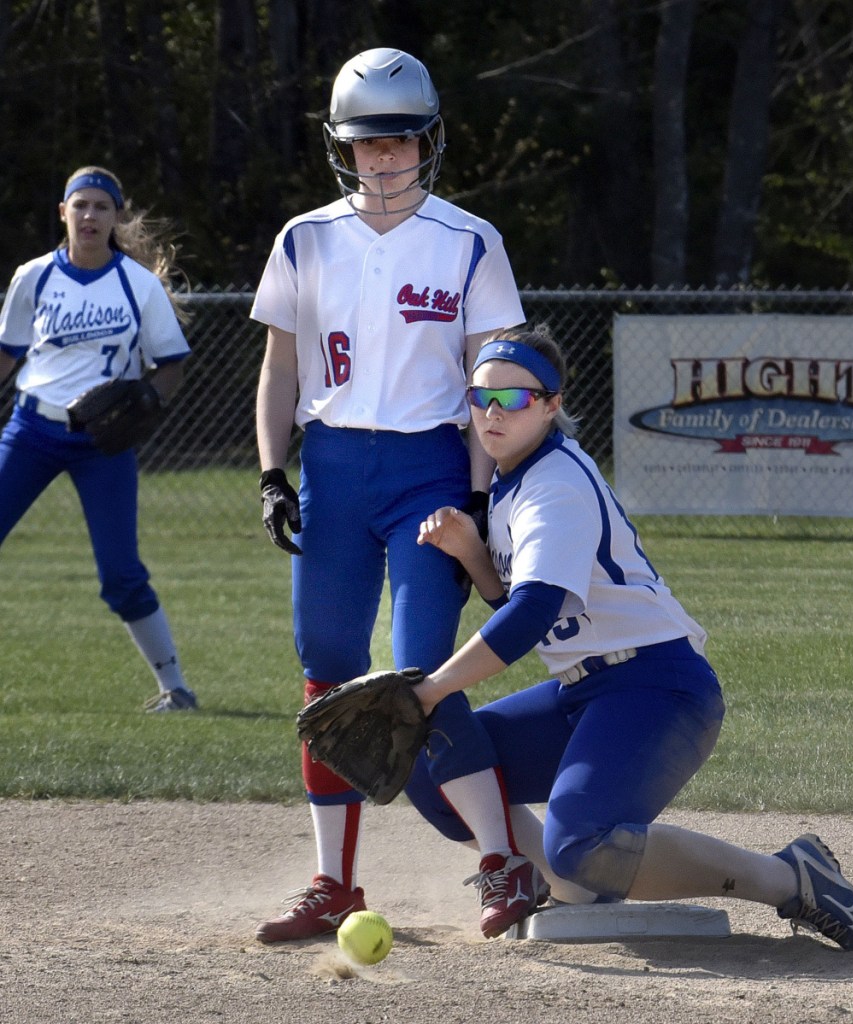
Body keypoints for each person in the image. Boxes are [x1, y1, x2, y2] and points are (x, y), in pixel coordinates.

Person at [409, 324, 853, 952]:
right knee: (429, 764)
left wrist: (434, 687)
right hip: (586, 690)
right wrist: (473, 554)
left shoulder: (554, 483)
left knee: (579, 842)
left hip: (658, 688)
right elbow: (536, 608)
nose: (493, 414)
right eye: (480, 398)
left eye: (515, 399)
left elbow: (530, 616)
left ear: (551, 405)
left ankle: (788, 876)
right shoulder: (510, 479)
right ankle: (559, 881)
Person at [252, 47, 545, 943]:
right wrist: (273, 471)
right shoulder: (305, 236)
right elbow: (280, 369)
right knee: (327, 671)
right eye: (365, 143)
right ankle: (333, 882)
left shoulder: (467, 239)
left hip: (427, 468)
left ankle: (503, 862)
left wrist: (479, 497)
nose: (382, 159)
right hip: (334, 466)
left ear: (428, 141)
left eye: (399, 141)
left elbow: (489, 383)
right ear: (341, 147)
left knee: (423, 667)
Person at [0, 165, 197, 713]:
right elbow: (7, 353)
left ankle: (175, 689)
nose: (89, 216)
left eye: (101, 207)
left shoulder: (137, 284)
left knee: (121, 574)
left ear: (115, 218)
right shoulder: (34, 277)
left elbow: (171, 364)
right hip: (32, 429)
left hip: (102, 443)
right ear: (63, 212)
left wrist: (150, 398)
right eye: (80, 205)